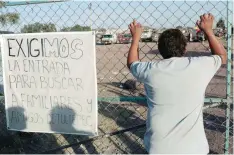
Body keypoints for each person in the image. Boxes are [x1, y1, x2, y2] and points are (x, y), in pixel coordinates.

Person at [127, 13, 226, 154]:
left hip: (159, 148)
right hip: (195, 149)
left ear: (160, 50)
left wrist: (135, 38)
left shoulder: (151, 70)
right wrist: (208, 31)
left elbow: (132, 63)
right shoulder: (199, 66)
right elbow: (221, 56)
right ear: (184, 49)